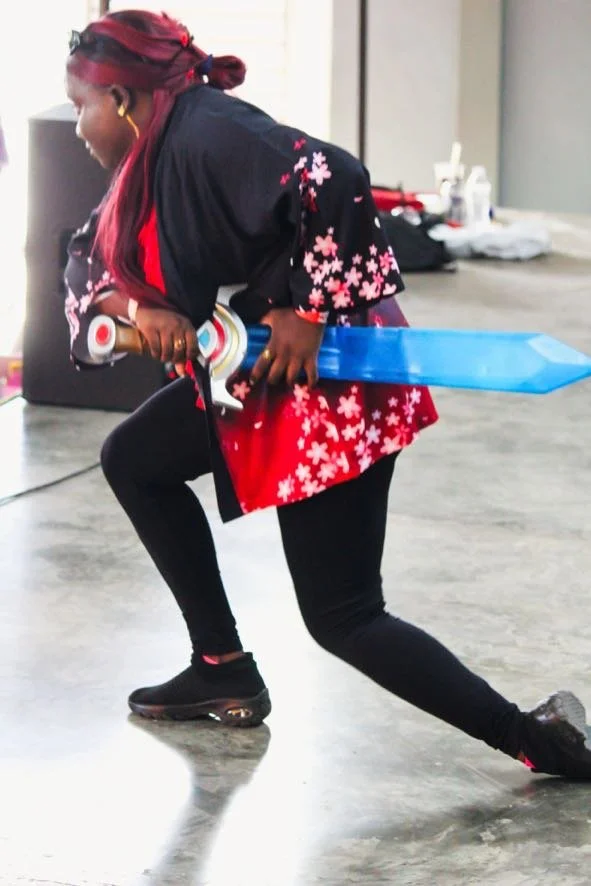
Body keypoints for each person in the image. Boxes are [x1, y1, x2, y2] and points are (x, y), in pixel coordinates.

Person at [63, 9, 591, 777]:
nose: (74, 124)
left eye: (78, 105)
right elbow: (85, 256)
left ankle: (537, 740)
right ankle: (220, 664)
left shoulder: (209, 131)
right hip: (254, 373)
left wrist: (310, 309)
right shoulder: (148, 161)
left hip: (327, 377)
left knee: (343, 615)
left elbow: (333, 176)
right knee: (135, 458)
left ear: (119, 99)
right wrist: (135, 309)